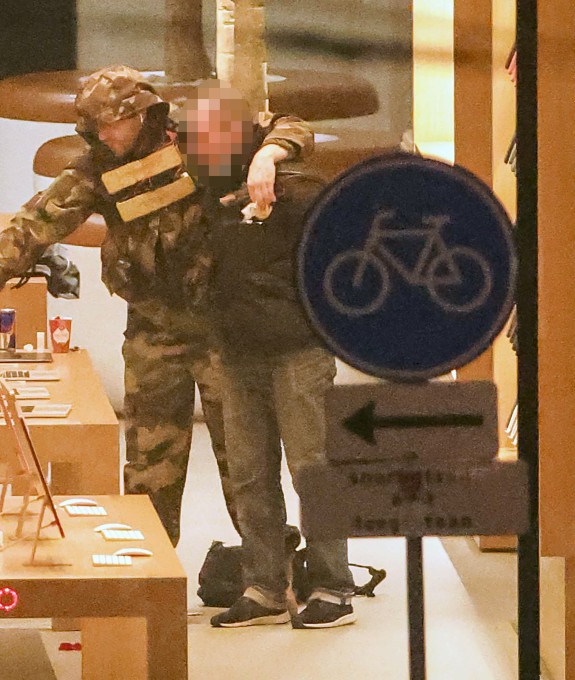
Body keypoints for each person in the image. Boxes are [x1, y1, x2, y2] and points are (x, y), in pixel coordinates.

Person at [0, 65, 313, 545]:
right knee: (149, 466)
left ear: (141, 114)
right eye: (94, 128)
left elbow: (291, 125)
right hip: (154, 327)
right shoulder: (98, 167)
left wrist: (267, 154)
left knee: (245, 460)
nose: (103, 135)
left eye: (110, 124)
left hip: (223, 324)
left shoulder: (199, 133)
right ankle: (147, 574)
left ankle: (267, 574)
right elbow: (38, 221)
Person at [178, 90, 357, 629]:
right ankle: (264, 584)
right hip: (235, 351)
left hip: (298, 351)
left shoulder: (299, 192)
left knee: (312, 468)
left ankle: (332, 586)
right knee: (249, 475)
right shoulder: (210, 202)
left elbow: (338, 271)